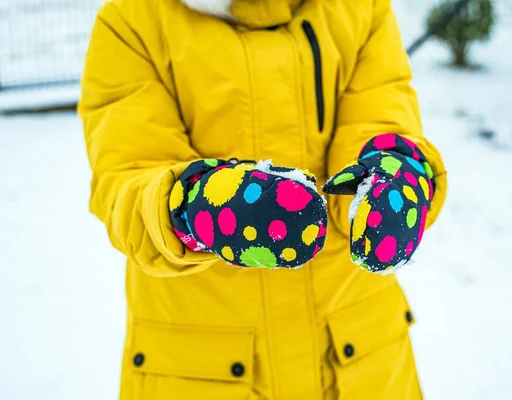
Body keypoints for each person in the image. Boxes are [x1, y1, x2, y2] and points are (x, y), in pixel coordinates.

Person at [78, 0, 447, 399]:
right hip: (200, 365)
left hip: (360, 356)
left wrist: (397, 170)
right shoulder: (133, 22)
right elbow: (130, 174)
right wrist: (190, 208)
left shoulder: (359, 8)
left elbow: (381, 113)